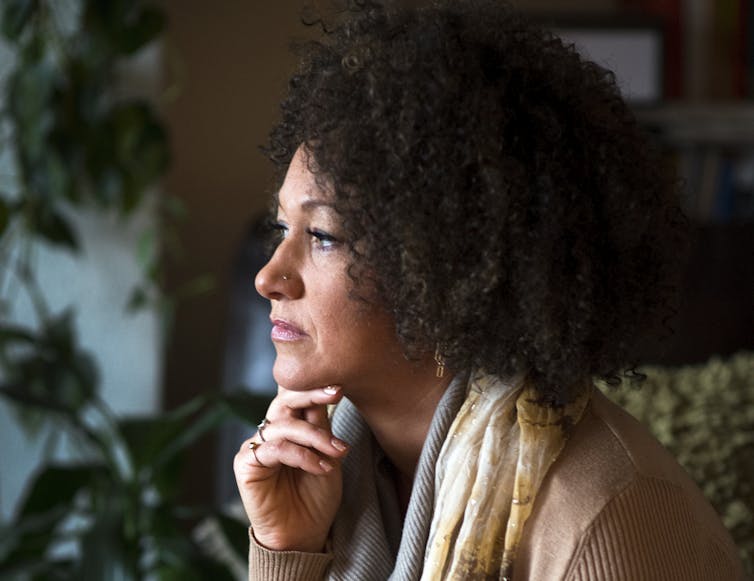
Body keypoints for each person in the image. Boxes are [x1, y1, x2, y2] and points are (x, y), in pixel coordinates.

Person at [233, 1, 745, 579]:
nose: (269, 277)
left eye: (323, 235)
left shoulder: (606, 515)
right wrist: (288, 549)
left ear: (448, 268)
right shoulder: (333, 474)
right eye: (282, 229)